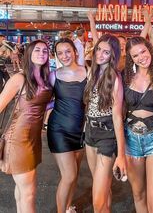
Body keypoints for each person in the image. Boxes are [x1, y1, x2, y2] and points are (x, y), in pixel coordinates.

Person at [0, 39, 52, 213]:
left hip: (33, 139)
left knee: (22, 189)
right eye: (37, 50)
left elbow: (43, 104)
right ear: (29, 53)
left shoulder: (45, 78)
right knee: (29, 192)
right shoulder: (19, 78)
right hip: (18, 140)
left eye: (45, 51)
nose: (41, 53)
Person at [123, 36, 153, 213]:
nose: (141, 57)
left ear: (150, 49)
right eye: (135, 55)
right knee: (138, 195)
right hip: (131, 139)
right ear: (131, 59)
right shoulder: (126, 77)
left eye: (143, 51)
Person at [83, 34, 126, 213]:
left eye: (106, 52)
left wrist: (121, 155)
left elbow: (117, 117)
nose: (100, 54)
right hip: (90, 133)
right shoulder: (92, 72)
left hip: (106, 136)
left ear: (113, 55)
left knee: (97, 200)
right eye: (98, 49)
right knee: (102, 188)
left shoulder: (115, 78)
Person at [47, 38, 87, 213]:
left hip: (80, 130)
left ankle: (68, 207)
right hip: (59, 130)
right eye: (60, 53)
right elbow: (44, 100)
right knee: (68, 175)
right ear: (56, 55)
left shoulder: (87, 71)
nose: (64, 55)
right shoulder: (53, 75)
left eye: (68, 51)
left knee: (74, 174)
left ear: (75, 52)